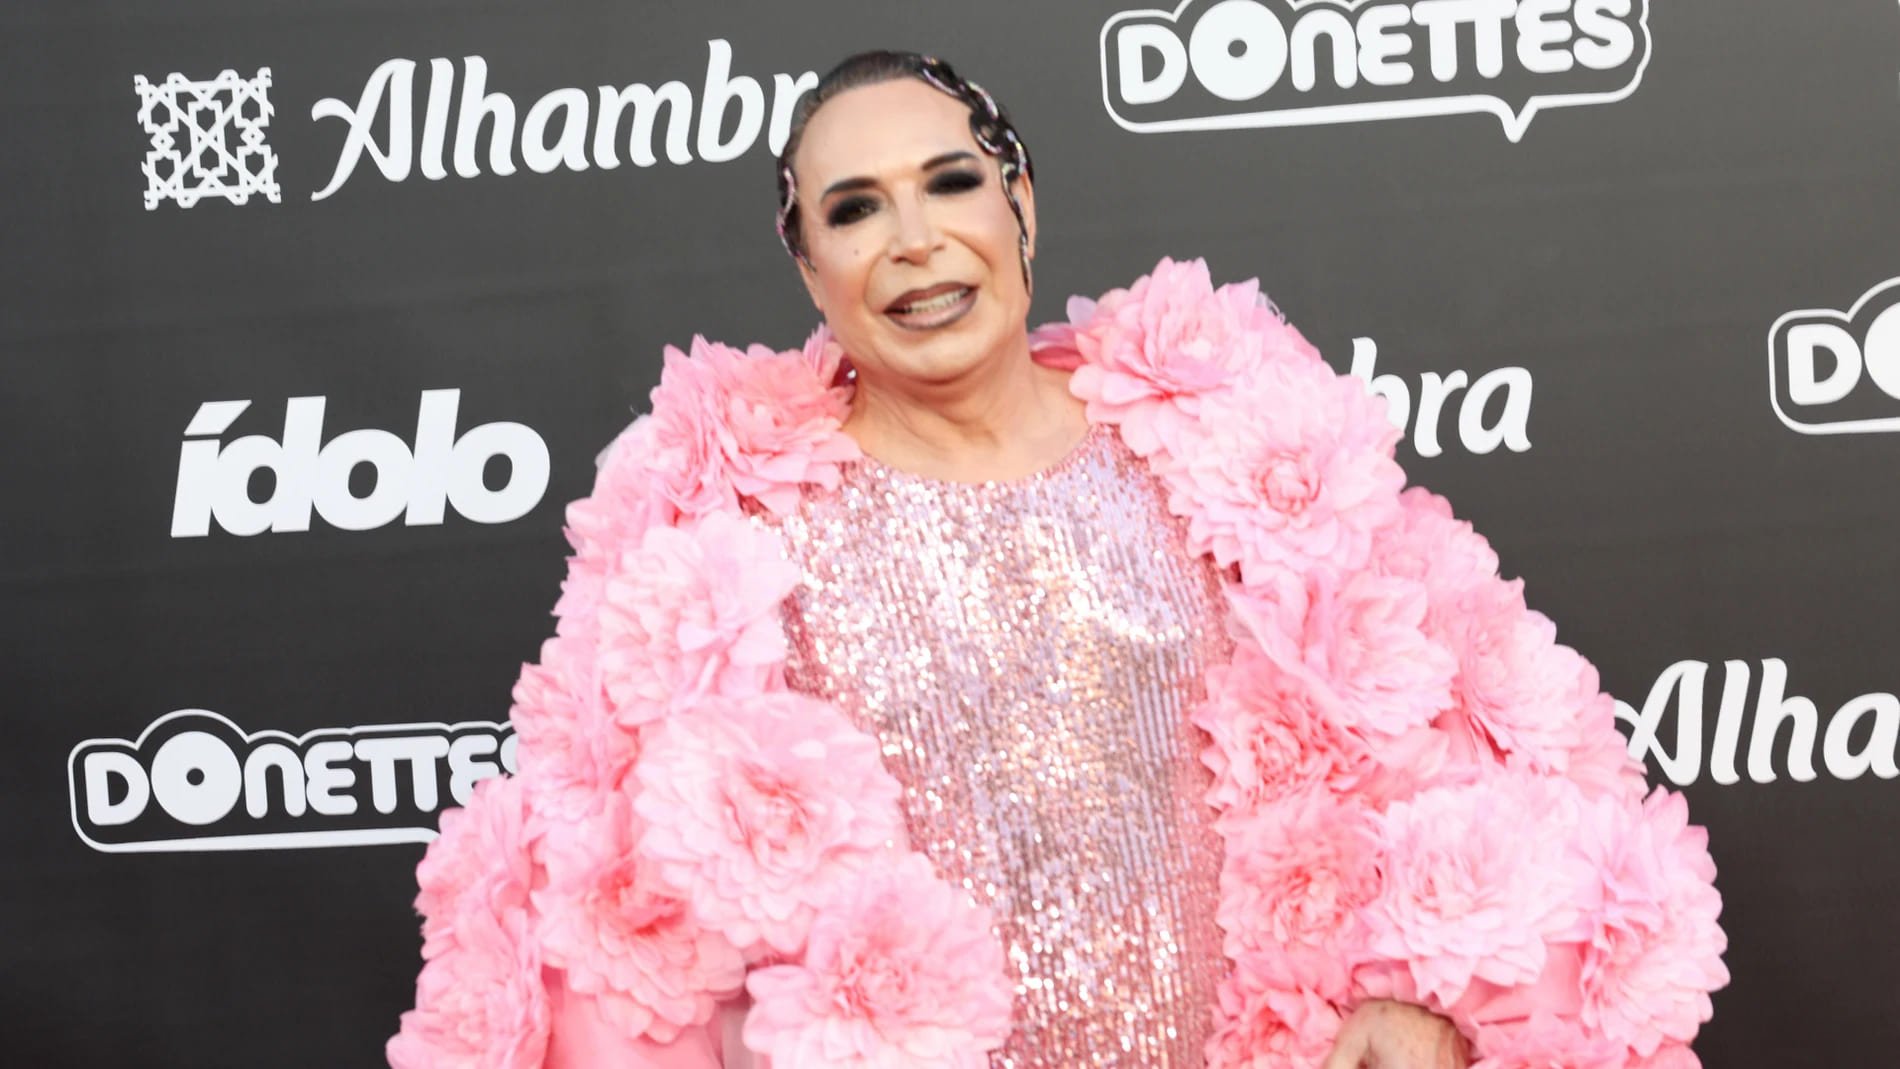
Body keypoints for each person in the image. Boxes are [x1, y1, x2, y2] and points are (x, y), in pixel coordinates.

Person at [388, 51, 1727, 1069]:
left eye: (948, 182)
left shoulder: (1225, 435)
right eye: (854, 209)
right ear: (810, 268)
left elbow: (1452, 737)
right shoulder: (717, 530)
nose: (915, 238)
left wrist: (1425, 985)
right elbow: (613, 914)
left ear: (1018, 197)